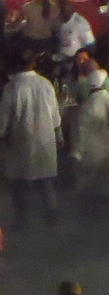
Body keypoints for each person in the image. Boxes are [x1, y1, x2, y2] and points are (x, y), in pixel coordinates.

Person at [0, 47, 62, 229]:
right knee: (45, 180)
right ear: (33, 63)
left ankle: (22, 220)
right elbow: (55, 115)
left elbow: (4, 117)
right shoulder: (46, 84)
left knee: (19, 183)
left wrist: (2, 135)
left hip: (21, 139)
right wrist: (59, 135)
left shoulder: (12, 87)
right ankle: (52, 217)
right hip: (45, 138)